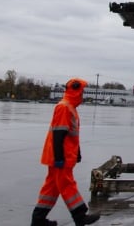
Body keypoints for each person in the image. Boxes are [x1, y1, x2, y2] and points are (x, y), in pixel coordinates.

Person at [31, 78, 100, 226]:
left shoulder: (70, 108)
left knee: (51, 188)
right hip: (60, 156)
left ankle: (38, 220)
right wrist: (59, 157)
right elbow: (58, 134)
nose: (82, 95)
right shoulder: (64, 107)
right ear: (75, 91)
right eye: (81, 92)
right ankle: (80, 216)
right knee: (67, 185)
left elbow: (70, 135)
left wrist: (77, 152)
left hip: (63, 155)